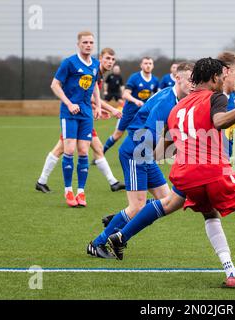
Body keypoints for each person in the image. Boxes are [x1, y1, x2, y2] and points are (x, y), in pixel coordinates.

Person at [104, 54, 235, 290]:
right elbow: (218, 122)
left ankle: (232, 273)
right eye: (231, 74)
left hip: (187, 175)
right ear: (216, 76)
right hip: (216, 171)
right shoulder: (216, 97)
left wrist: (185, 147)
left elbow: (159, 152)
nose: (233, 78)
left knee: (202, 212)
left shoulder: (178, 107)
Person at [86, 62, 194, 260]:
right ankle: (97, 243)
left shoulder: (175, 98)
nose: (193, 84)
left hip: (146, 153)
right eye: (190, 80)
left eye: (195, 80)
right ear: (178, 78)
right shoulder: (167, 102)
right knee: (138, 206)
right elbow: (148, 136)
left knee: (169, 200)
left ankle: (121, 218)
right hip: (137, 151)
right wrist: (173, 151)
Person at [36, 48, 126, 195]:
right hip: (74, 115)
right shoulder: (91, 69)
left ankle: (113, 182)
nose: (110, 62)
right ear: (100, 59)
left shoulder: (99, 75)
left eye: (112, 59)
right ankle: (43, 181)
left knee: (95, 148)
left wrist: (98, 109)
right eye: (107, 58)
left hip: (83, 116)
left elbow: (88, 97)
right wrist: (111, 109)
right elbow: (88, 96)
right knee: (64, 149)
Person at [48, 31, 103, 207]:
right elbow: (54, 84)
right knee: (69, 150)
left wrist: (99, 106)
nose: (88, 45)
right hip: (69, 112)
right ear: (78, 44)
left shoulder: (95, 64)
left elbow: (94, 85)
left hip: (86, 113)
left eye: (91, 42)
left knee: (84, 152)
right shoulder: (69, 62)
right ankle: (68, 190)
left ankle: (81, 192)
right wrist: (69, 103)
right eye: (85, 42)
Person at [102, 57, 159, 154]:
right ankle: (101, 153)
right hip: (129, 112)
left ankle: (143, 157)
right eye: (145, 63)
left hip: (143, 114)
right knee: (117, 135)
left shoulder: (155, 80)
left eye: (150, 63)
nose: (148, 65)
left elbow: (156, 96)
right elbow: (125, 94)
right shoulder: (135, 77)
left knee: (144, 134)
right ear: (141, 65)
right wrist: (136, 101)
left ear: (153, 66)